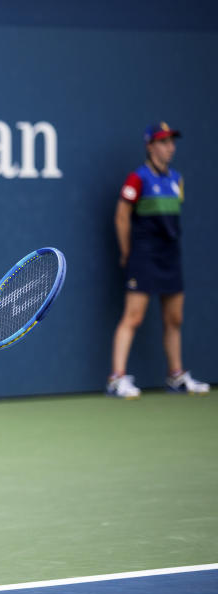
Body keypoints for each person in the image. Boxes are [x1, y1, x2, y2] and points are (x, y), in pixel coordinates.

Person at [107, 122, 210, 398]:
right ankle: (116, 378)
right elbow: (121, 215)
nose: (170, 147)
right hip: (143, 254)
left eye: (172, 142)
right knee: (134, 317)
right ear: (150, 146)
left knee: (174, 318)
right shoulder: (137, 179)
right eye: (163, 142)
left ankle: (176, 376)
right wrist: (127, 252)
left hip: (170, 255)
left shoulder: (177, 179)